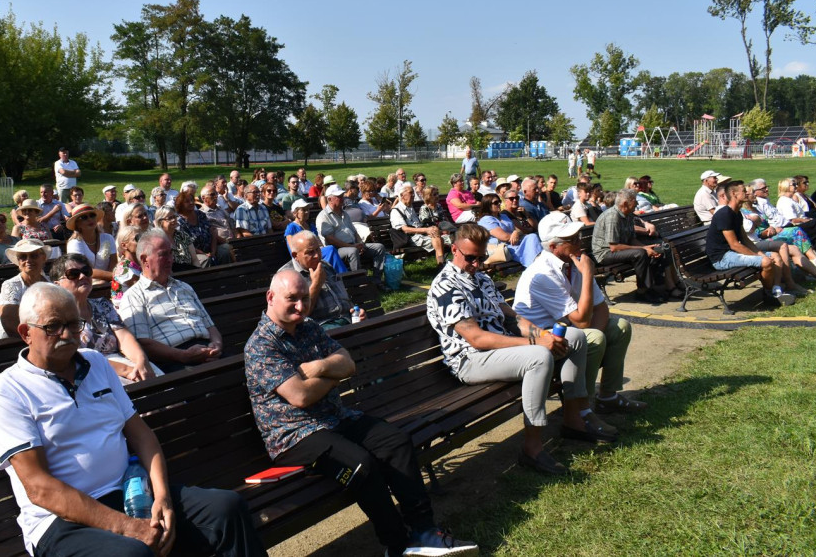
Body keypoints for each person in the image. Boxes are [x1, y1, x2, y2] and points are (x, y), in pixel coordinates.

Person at [0, 282, 266, 557]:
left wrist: (162, 497)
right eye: (53, 326)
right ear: (25, 333)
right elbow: (40, 488)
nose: (68, 334)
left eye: (74, 324)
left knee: (226, 508)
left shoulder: (95, 362)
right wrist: (127, 527)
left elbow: (142, 435)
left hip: (130, 494)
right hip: (60, 522)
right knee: (133, 551)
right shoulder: (7, 391)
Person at [246, 270, 477, 557]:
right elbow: (301, 396)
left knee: (396, 442)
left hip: (334, 419)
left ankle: (424, 531)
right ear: (271, 297)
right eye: (291, 299)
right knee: (360, 465)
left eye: (304, 298)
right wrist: (334, 373)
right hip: (293, 437)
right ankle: (397, 545)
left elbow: (349, 364)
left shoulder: (310, 328)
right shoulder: (261, 345)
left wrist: (319, 368)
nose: (300, 306)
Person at [426, 225, 612, 477]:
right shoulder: (446, 286)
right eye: (470, 258)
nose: (477, 264)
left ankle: (574, 419)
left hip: (497, 351)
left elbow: (513, 318)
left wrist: (544, 335)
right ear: (453, 250)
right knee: (539, 357)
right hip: (469, 359)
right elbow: (476, 338)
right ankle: (532, 448)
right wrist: (538, 344)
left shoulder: (481, 278)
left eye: (481, 258)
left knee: (575, 336)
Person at [513, 213, 646, 417]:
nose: (579, 242)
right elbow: (582, 321)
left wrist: (595, 339)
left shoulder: (573, 263)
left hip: (567, 331)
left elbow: (601, 308)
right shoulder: (543, 273)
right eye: (572, 240)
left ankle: (608, 397)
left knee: (619, 327)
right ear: (553, 247)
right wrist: (588, 274)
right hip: (543, 339)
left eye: (579, 236)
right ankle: (583, 408)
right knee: (592, 337)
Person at [117, 230, 224, 372]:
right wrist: (183, 356)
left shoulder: (184, 287)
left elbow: (210, 326)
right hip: (175, 360)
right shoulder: (133, 296)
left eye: (171, 253)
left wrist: (216, 345)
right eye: (163, 254)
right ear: (144, 259)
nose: (170, 259)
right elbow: (143, 343)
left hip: (208, 351)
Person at [51, 253, 159, 382]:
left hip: (125, 363)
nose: (83, 276)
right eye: (73, 274)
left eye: (86, 271)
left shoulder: (102, 304)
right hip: (92, 374)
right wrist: (126, 370)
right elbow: (78, 357)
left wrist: (141, 360)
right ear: (57, 285)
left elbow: (124, 338)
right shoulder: (58, 318)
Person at [707, 181, 796, 306]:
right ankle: (769, 295)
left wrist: (760, 254)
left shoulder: (737, 214)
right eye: (743, 191)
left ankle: (777, 290)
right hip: (721, 258)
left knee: (775, 257)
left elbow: (745, 240)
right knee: (766, 262)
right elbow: (734, 244)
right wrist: (761, 257)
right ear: (734, 194)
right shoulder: (724, 214)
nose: (747, 192)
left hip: (731, 253)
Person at [591, 189, 674, 303]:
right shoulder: (612, 217)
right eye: (634, 201)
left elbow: (631, 239)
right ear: (625, 204)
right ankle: (642, 292)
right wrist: (643, 249)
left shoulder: (628, 215)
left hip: (618, 250)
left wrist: (648, 247)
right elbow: (614, 247)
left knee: (655, 250)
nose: (637, 204)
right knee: (640, 254)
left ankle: (650, 287)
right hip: (604, 254)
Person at [279, 231, 364, 328]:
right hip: (321, 326)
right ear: (295, 255)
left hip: (348, 318)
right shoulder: (287, 276)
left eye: (318, 249)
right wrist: (316, 283)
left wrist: (356, 312)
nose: (317, 256)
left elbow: (344, 297)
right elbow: (298, 315)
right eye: (310, 252)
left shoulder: (325, 265)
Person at [317, 184, 387, 279]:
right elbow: (330, 240)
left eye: (342, 196)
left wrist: (360, 243)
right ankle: (359, 282)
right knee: (353, 251)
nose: (342, 198)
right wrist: (352, 246)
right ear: (329, 199)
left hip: (353, 244)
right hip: (337, 250)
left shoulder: (344, 213)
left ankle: (376, 279)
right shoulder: (324, 216)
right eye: (338, 197)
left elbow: (354, 232)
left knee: (379, 247)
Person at [0, 239, 51, 340]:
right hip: (19, 340)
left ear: (44, 258)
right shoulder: (11, 285)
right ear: (18, 261)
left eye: (34, 255)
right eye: (23, 257)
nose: (28, 260)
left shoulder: (50, 284)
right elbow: (9, 322)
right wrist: (37, 339)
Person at [391, 184, 451, 265]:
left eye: (413, 193)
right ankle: (441, 264)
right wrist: (426, 230)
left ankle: (441, 265)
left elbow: (418, 225)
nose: (413, 195)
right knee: (439, 239)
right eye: (411, 193)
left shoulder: (410, 208)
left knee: (437, 234)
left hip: (420, 235)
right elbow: (405, 229)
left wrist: (429, 231)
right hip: (410, 238)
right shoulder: (396, 211)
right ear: (402, 195)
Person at [475, 194, 542, 267]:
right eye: (496, 203)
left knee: (532, 236)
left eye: (499, 201)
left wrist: (516, 232)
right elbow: (504, 237)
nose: (499, 204)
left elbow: (517, 231)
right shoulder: (486, 220)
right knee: (530, 249)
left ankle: (535, 263)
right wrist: (515, 233)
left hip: (515, 243)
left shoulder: (504, 216)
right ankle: (536, 264)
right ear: (487, 205)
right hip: (502, 247)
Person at [176, 190, 231, 265]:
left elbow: (213, 234)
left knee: (225, 249)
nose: (191, 203)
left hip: (210, 248)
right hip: (193, 254)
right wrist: (203, 253)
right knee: (205, 259)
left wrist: (213, 252)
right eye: (187, 201)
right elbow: (185, 245)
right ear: (180, 205)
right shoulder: (179, 222)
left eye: (192, 200)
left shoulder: (200, 215)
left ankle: (228, 273)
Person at [66, 204, 117, 282]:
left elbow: (114, 262)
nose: (90, 219)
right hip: (84, 282)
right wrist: (113, 276)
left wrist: (108, 280)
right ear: (77, 224)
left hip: (110, 281)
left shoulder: (108, 237)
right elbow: (83, 270)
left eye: (92, 215)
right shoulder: (74, 243)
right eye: (84, 217)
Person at [111, 225, 143, 304]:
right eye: (137, 238)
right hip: (127, 310)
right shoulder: (123, 267)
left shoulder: (139, 263)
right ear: (124, 245)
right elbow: (142, 290)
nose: (142, 241)